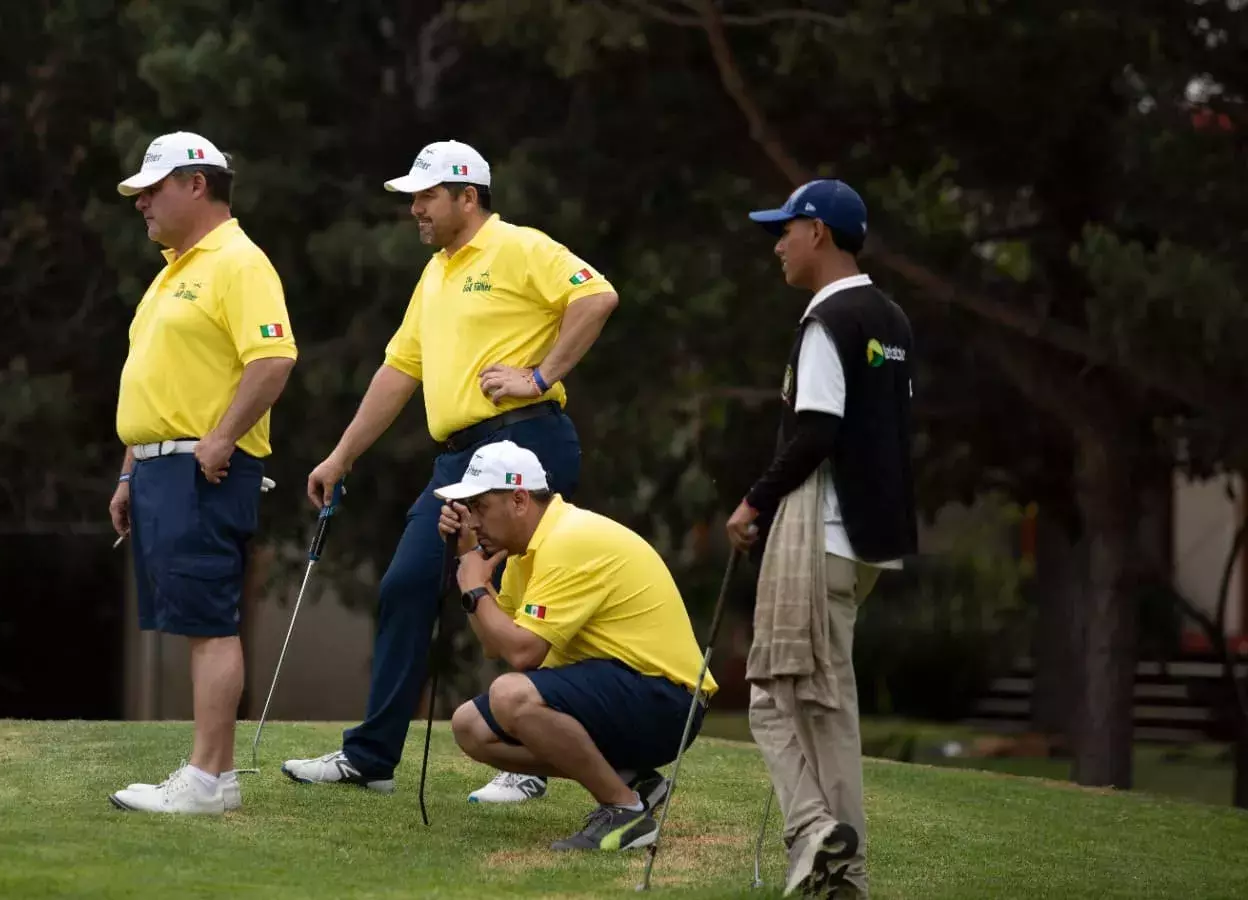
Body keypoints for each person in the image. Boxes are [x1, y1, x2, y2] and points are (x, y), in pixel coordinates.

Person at [282, 140, 619, 804]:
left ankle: (529, 759)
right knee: (407, 584)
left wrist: (540, 375)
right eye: (414, 197)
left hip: (528, 443)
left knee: (524, 598)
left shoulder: (519, 247)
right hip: (460, 459)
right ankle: (372, 757)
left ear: (468, 196)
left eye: (426, 196)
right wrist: (340, 454)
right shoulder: (434, 274)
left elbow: (597, 297)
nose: (415, 209)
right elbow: (397, 372)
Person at [725, 179, 916, 896]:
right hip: (872, 537)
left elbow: (817, 430)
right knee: (814, 701)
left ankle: (823, 841)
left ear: (819, 234)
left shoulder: (826, 321)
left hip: (821, 536)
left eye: (785, 229)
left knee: (781, 699)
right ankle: (834, 867)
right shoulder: (891, 317)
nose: (777, 244)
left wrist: (752, 502)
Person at [104, 131, 298, 815]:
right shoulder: (173, 271)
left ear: (196, 183)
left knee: (212, 622)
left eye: (151, 190)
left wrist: (221, 439)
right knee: (195, 621)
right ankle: (214, 774)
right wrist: (130, 474)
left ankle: (208, 781)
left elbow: (272, 361)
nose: (142, 205)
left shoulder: (238, 262)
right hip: (161, 470)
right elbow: (158, 384)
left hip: (204, 467)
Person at [431, 440, 718, 850]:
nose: (472, 522)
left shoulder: (567, 540)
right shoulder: (523, 553)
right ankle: (627, 779)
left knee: (510, 695)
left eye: (479, 507)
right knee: (470, 727)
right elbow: (496, 643)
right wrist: (471, 570)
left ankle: (626, 811)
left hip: (670, 702)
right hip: (630, 690)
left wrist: (475, 586)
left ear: (518, 499)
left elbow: (523, 654)